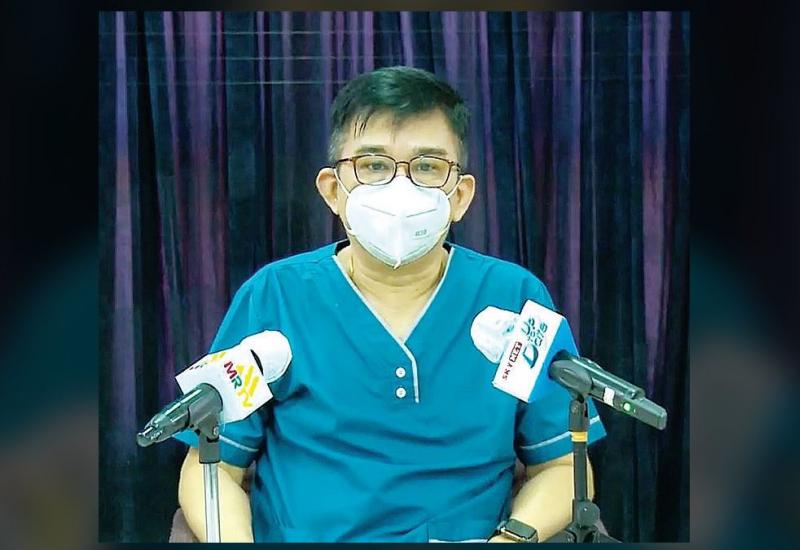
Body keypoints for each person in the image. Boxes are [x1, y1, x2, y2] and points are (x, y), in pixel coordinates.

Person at [175, 66, 606, 543]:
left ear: (461, 196)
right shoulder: (275, 296)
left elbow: (562, 465)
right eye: (374, 165)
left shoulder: (514, 299)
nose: (401, 188)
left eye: (427, 167)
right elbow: (211, 466)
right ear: (333, 190)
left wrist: (511, 540)